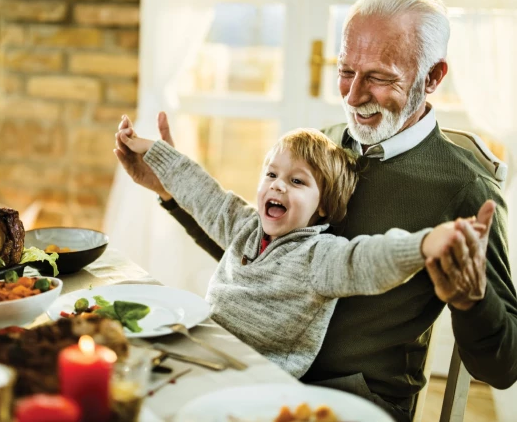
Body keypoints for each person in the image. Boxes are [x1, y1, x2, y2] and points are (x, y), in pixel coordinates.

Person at [114, 0, 517, 422]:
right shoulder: (326, 143)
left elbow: (503, 365)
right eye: (346, 70)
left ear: (433, 77)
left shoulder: (465, 188)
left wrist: (472, 301)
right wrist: (170, 191)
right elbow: (268, 260)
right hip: (252, 369)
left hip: (350, 401)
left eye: (379, 77)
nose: (352, 95)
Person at [118, 124, 490, 381]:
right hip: (202, 356)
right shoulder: (244, 225)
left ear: (323, 206)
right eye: (271, 175)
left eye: (297, 181)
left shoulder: (319, 257)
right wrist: (157, 154)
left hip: (257, 385)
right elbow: (203, 192)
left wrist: (424, 244)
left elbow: (368, 260)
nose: (278, 186)